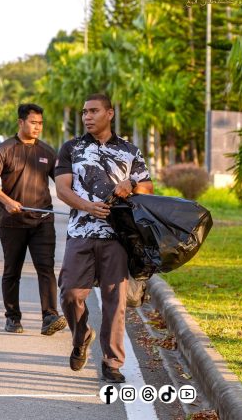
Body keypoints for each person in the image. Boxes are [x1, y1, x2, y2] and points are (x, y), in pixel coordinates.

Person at [55, 93, 153, 383]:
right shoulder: (71, 148)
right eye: (84, 111)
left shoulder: (129, 151)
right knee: (71, 294)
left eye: (94, 111)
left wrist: (131, 184)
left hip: (117, 237)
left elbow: (148, 186)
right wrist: (88, 206)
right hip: (81, 233)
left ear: (110, 114)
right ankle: (82, 334)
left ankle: (112, 362)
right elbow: (62, 189)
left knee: (115, 301)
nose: (87, 116)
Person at [0, 103, 67, 336]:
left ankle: (49, 316)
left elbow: (62, 182)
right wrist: (6, 200)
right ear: (21, 122)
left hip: (43, 220)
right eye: (33, 122)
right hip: (12, 222)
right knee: (12, 271)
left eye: (40, 123)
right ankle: (12, 317)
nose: (37, 127)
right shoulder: (5, 149)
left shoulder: (48, 152)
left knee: (46, 268)